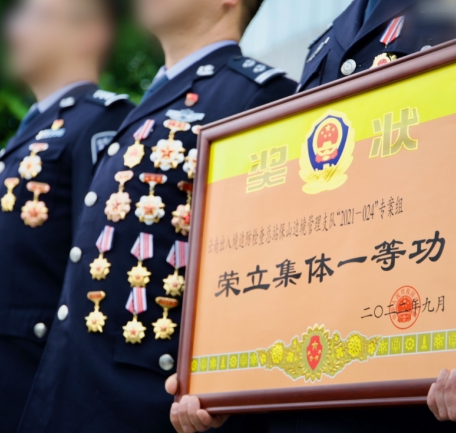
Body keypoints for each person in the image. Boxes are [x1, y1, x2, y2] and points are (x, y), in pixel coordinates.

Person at [168, 0, 456, 432]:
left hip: (447, 396)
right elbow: (300, 226)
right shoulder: (334, 33)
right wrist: (226, 378)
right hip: (322, 400)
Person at [16, 0, 296, 431]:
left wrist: (223, 383)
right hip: (83, 386)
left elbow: (265, 258)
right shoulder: (152, 101)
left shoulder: (256, 95)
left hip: (151, 398)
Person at [0, 0, 134, 431]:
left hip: (30, 395)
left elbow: (95, 280)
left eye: (35, 15)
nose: (14, 30)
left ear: (89, 32)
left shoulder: (101, 121)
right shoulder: (29, 133)